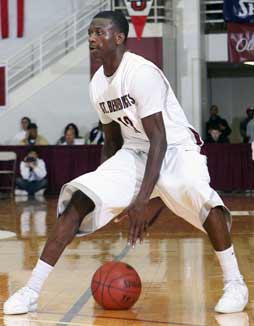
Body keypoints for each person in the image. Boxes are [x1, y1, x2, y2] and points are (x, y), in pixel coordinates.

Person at [4, 10, 248, 315]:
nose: (92, 39)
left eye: (99, 33)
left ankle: (235, 282)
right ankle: (31, 291)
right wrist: (108, 188)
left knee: (202, 199)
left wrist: (142, 200)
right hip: (134, 151)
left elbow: (159, 140)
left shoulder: (140, 73)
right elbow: (112, 142)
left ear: (119, 38)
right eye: (90, 33)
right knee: (78, 202)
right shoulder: (97, 84)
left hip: (175, 149)